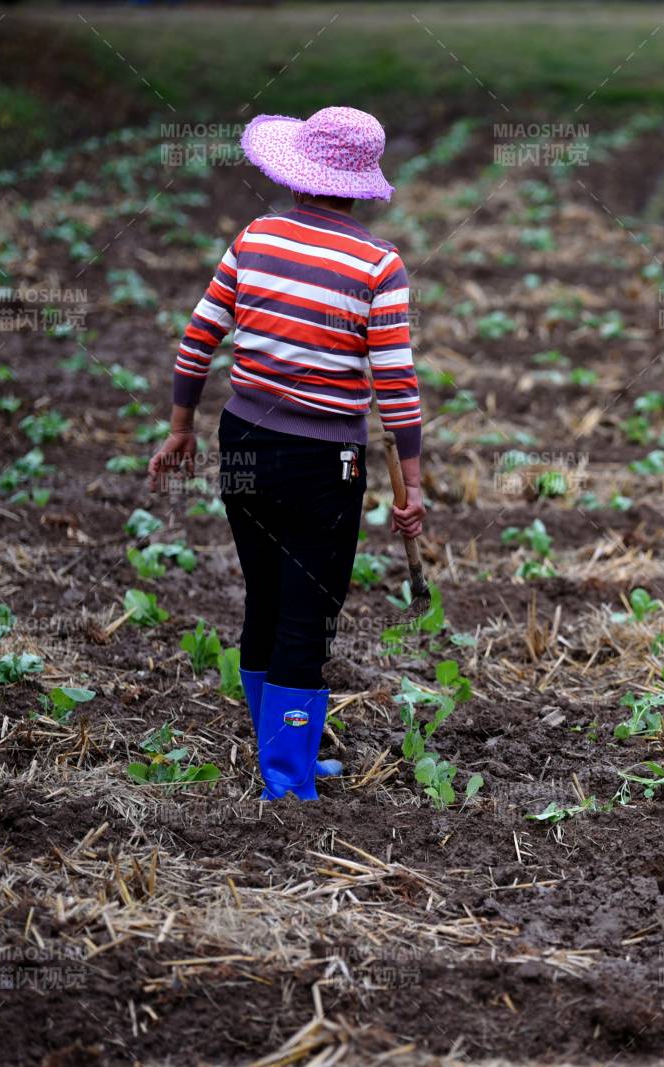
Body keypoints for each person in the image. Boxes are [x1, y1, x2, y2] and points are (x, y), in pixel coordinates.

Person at [147, 106, 424, 801]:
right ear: (359, 185)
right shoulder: (377, 265)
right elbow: (396, 387)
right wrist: (411, 488)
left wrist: (181, 427)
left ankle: (282, 751)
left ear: (299, 171)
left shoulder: (255, 237)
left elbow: (199, 337)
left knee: (265, 597)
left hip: (242, 445)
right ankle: (288, 781)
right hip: (323, 464)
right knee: (309, 612)